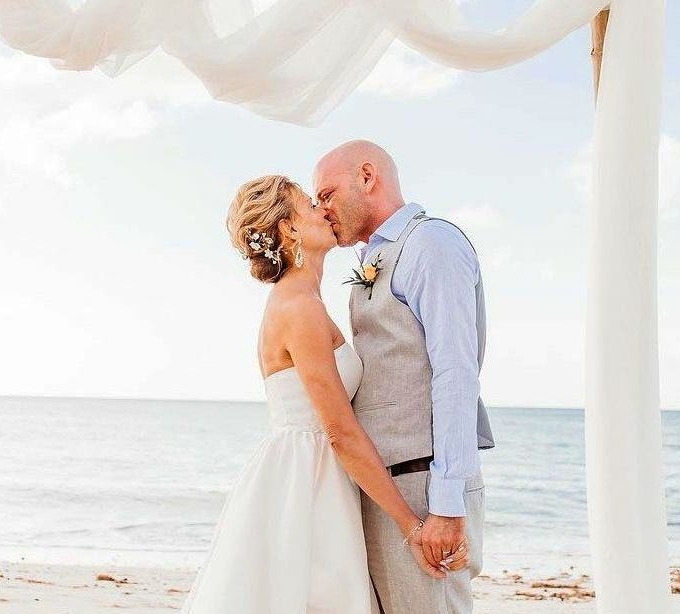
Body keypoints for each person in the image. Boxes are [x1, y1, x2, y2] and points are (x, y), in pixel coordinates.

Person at [181, 174, 444, 614]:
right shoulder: (299, 309)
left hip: (314, 473)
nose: (323, 209)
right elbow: (339, 431)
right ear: (289, 229)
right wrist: (411, 527)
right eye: (309, 204)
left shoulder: (304, 301)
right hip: (306, 482)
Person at [313, 139, 495, 613]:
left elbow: (456, 373)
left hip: (422, 487)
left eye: (328, 194)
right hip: (388, 490)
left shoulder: (431, 243)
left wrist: (447, 504)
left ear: (367, 178)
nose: (322, 208)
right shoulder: (378, 258)